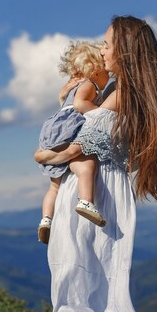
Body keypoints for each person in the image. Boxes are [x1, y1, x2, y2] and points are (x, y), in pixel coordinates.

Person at [34, 16, 157, 312]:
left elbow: (84, 145)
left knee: (80, 286)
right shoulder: (120, 92)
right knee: (107, 288)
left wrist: (46, 157)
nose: (103, 47)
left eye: (109, 42)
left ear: (125, 50)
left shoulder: (118, 96)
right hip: (107, 195)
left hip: (92, 197)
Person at [36, 41, 110, 244]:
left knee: (54, 187)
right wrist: (101, 112)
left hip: (51, 130)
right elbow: (79, 105)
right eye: (105, 70)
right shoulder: (90, 85)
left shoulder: (72, 87)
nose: (108, 74)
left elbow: (66, 103)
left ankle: (46, 219)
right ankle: (86, 201)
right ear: (95, 69)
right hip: (69, 128)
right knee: (87, 165)